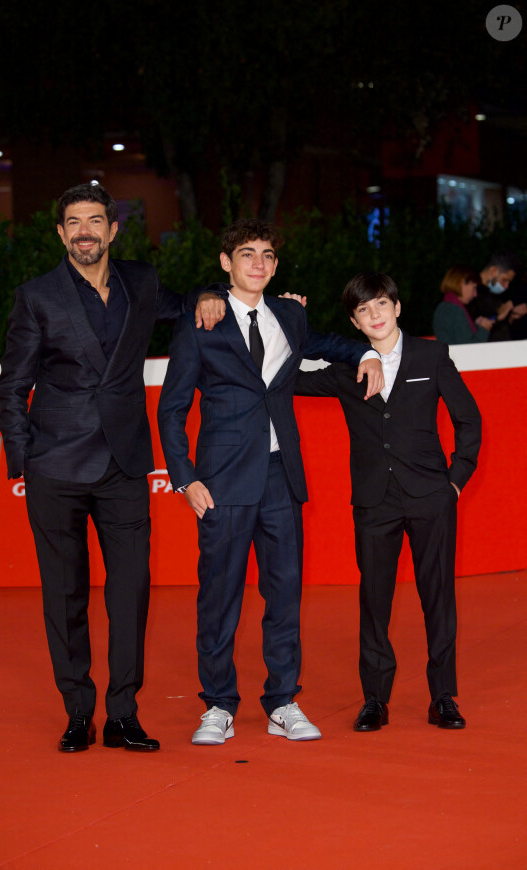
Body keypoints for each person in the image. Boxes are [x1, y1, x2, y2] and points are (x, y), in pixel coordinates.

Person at [0, 183, 225, 753]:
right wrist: (25, 460)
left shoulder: (141, 282)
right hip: (56, 466)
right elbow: (12, 388)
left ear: (113, 229)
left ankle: (123, 713)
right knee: (65, 594)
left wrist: (213, 294)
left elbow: (189, 301)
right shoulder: (37, 296)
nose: (84, 232)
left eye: (94, 221)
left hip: (124, 466)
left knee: (131, 593)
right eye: (73, 222)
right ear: (60, 232)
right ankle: (79, 712)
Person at [157, 219, 384, 745]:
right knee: (219, 599)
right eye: (246, 254)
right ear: (226, 262)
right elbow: (172, 409)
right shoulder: (201, 323)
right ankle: (218, 704)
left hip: (282, 478)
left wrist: (368, 353)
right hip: (221, 482)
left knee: (284, 596)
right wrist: (185, 479)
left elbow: (332, 343)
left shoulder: (289, 314)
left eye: (266, 256)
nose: (257, 263)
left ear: (275, 266)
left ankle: (283, 700)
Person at [296, 273, 481, 731]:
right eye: (363, 310)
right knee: (374, 601)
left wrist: (453, 483)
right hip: (374, 502)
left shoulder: (431, 354)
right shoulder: (346, 368)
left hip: (430, 497)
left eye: (381, 304)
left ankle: (444, 696)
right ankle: (375, 699)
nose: (375, 315)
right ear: (355, 322)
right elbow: (287, 377)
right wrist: (291, 319)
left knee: (438, 598)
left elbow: (469, 421)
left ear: (397, 307)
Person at [466, 251, 523, 341]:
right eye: (504, 280)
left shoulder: (494, 294)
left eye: (509, 282)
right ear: (493, 271)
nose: (506, 286)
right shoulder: (469, 294)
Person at [433, 264, 493, 344]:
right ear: (462, 282)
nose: (475, 294)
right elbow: (467, 348)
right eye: (474, 287)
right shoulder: (455, 310)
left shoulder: (444, 306)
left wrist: (476, 326)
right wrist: (484, 330)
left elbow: (457, 336)